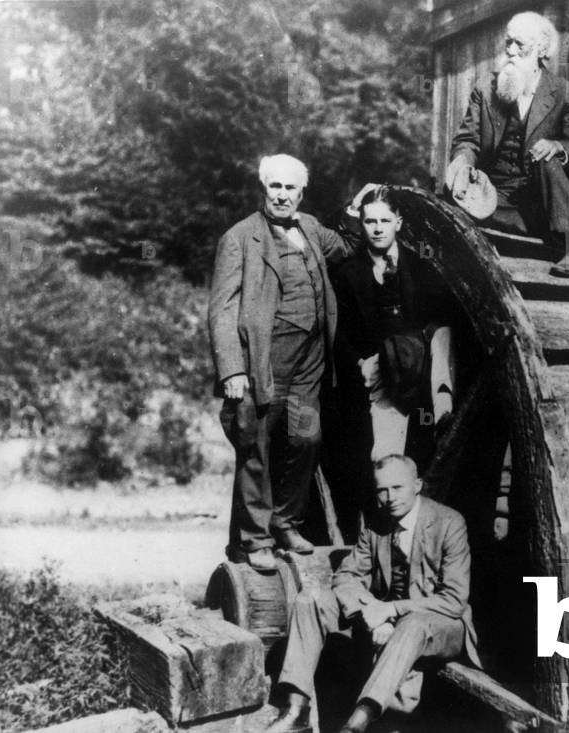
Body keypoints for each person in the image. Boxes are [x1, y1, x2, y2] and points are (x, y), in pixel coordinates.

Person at [208, 154, 352, 572]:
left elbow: (346, 246)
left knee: (305, 439)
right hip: (261, 363)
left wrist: (358, 210)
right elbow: (222, 309)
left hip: (309, 364)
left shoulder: (309, 227)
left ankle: (286, 521)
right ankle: (254, 540)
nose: (283, 195)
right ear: (263, 189)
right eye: (276, 187)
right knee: (256, 447)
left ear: (301, 193)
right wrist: (231, 369)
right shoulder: (240, 238)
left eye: (291, 188)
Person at [265, 454, 480, 733]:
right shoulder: (376, 523)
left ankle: (358, 722)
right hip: (387, 616)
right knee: (311, 599)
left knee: (412, 625)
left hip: (442, 624)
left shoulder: (449, 522)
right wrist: (372, 613)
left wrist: (391, 611)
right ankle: (295, 709)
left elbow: (453, 600)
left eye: (397, 488)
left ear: (417, 485)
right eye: (382, 489)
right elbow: (346, 576)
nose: (389, 497)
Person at [445, 11, 569, 278]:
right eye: (508, 42)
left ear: (541, 50)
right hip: (495, 195)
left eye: (519, 44)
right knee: (451, 201)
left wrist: (558, 147)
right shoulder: (486, 89)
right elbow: (468, 140)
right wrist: (462, 164)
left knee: (549, 158)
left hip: (541, 198)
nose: (510, 50)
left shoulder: (564, 93)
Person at [332, 186, 459, 467]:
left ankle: (443, 408)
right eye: (370, 221)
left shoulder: (422, 267)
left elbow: (442, 317)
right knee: (386, 458)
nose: (378, 229)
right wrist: (360, 363)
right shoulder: (347, 273)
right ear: (361, 224)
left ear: (398, 223)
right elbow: (338, 332)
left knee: (442, 331)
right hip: (383, 371)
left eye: (385, 221)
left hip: (420, 365)